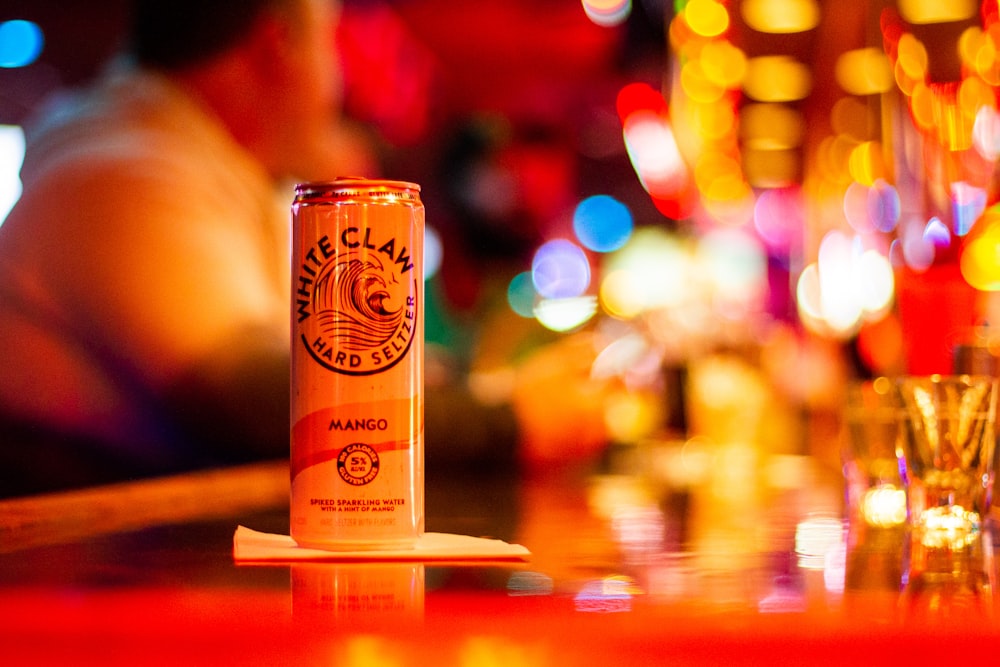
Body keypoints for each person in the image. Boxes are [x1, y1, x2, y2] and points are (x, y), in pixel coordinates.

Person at [0, 0, 376, 495]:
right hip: (56, 561)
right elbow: (260, 401)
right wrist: (502, 426)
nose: (338, 82)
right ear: (278, 45)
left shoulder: (211, 172)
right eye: (331, 42)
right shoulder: (122, 170)